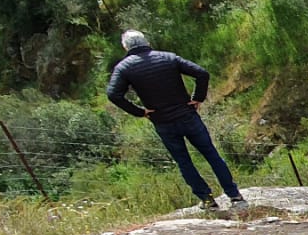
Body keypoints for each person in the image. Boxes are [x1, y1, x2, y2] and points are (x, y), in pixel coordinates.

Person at [105, 30, 247, 213]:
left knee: (184, 161)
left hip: (162, 121)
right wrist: (198, 98)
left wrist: (140, 112)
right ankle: (234, 195)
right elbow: (201, 73)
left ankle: (207, 200)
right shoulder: (167, 57)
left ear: (125, 46)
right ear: (146, 41)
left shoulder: (124, 67)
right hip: (187, 115)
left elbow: (113, 94)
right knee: (211, 154)